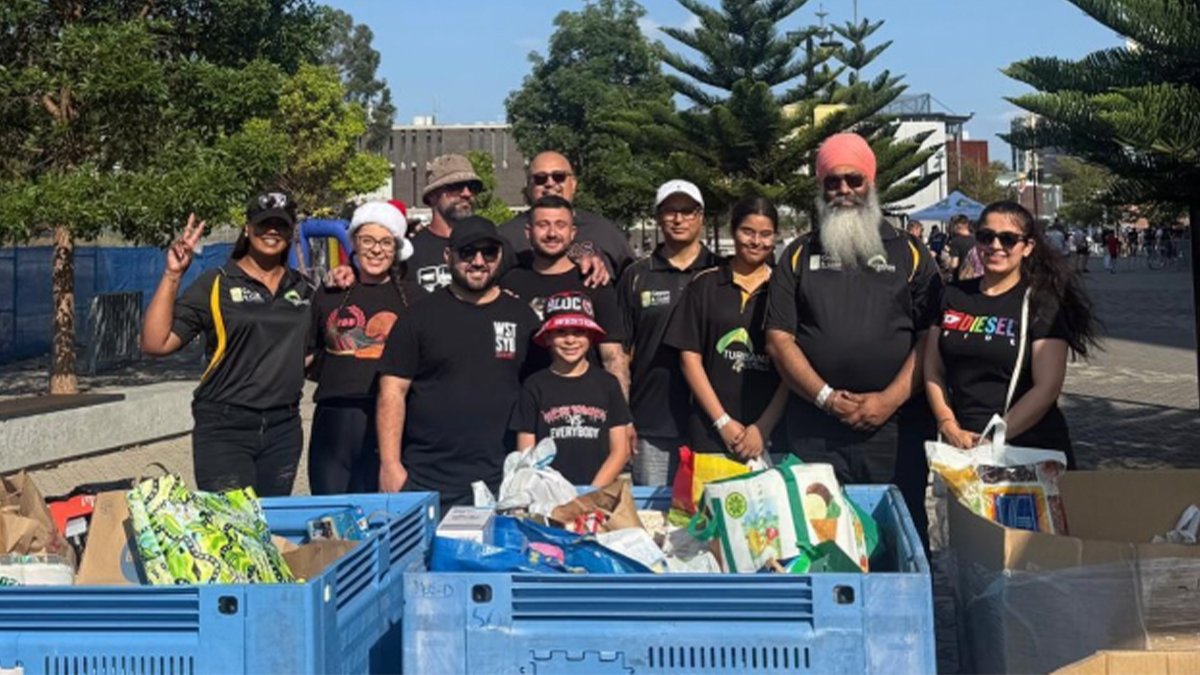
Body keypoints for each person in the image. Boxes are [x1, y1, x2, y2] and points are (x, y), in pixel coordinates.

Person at [765, 133, 942, 539]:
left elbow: (930, 339)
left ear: (871, 182)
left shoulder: (911, 252)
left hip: (895, 429)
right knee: (818, 539)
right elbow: (779, 339)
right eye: (833, 181)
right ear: (820, 186)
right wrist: (826, 398)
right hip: (814, 428)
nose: (843, 189)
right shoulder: (798, 254)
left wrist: (888, 400)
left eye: (854, 179)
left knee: (899, 536)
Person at [141, 191, 311, 496]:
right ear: (247, 229)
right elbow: (156, 343)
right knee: (232, 521)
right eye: (264, 223)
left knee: (271, 520)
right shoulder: (217, 282)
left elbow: (314, 350)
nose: (272, 231)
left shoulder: (304, 288)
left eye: (281, 225)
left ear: (291, 232)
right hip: (225, 426)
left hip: (283, 428)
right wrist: (172, 275)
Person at [376, 216, 539, 510]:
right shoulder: (418, 316)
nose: (478, 261)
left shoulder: (523, 317)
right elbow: (392, 392)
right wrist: (390, 464)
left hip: (503, 479)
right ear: (447, 256)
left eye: (488, 252)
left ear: (500, 256)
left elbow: (538, 394)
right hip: (426, 478)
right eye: (467, 252)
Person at [925, 201, 1097, 469]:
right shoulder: (953, 295)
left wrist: (993, 438)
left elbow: (1047, 387)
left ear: (1027, 247)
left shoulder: (1041, 302)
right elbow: (933, 369)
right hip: (962, 446)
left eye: (1008, 239)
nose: (995, 246)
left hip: (1027, 446)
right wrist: (947, 422)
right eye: (986, 236)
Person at [307, 200, 423, 495]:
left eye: (385, 242)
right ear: (355, 243)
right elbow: (310, 351)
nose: (376, 250)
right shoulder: (331, 292)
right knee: (331, 509)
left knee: (385, 509)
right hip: (335, 417)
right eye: (367, 240)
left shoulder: (416, 298)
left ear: (396, 248)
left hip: (394, 417)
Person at [664, 196, 789, 463]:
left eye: (766, 234)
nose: (756, 242)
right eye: (748, 232)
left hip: (770, 437)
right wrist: (722, 422)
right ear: (733, 231)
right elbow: (689, 358)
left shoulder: (786, 289)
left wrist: (764, 426)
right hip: (710, 433)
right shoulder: (704, 285)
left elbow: (792, 365)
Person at [617, 180, 720, 485]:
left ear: (700, 217)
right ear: (658, 218)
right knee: (654, 511)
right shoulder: (636, 275)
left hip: (715, 423)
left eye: (687, 211)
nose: (678, 219)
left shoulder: (722, 271)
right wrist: (622, 417)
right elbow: (620, 355)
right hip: (653, 422)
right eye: (670, 211)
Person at [500, 195, 630, 395]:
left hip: (585, 400)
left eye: (560, 225)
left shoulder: (593, 281)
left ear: (572, 232)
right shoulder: (509, 282)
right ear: (528, 232)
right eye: (543, 225)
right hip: (525, 401)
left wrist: (620, 410)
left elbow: (613, 357)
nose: (552, 233)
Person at [510, 291, 632, 486]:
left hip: (598, 493)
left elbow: (620, 450)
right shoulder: (534, 386)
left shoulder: (608, 384)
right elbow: (526, 454)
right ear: (547, 337)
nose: (570, 340)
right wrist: (551, 491)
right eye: (560, 332)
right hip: (549, 493)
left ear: (591, 335)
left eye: (579, 331)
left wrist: (591, 492)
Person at [498, 151, 634, 278]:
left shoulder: (603, 231)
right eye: (540, 178)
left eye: (559, 177)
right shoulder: (506, 237)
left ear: (573, 184)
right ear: (528, 186)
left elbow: (632, 281)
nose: (550, 183)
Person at [404, 154, 485, 292]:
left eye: (472, 187)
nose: (466, 194)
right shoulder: (410, 252)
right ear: (432, 196)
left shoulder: (489, 247)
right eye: (456, 186)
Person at [946, 214, 981, 281]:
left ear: (958, 226)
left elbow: (954, 264)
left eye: (953, 225)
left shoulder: (956, 241)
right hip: (976, 276)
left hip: (961, 278)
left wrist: (949, 270)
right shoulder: (976, 239)